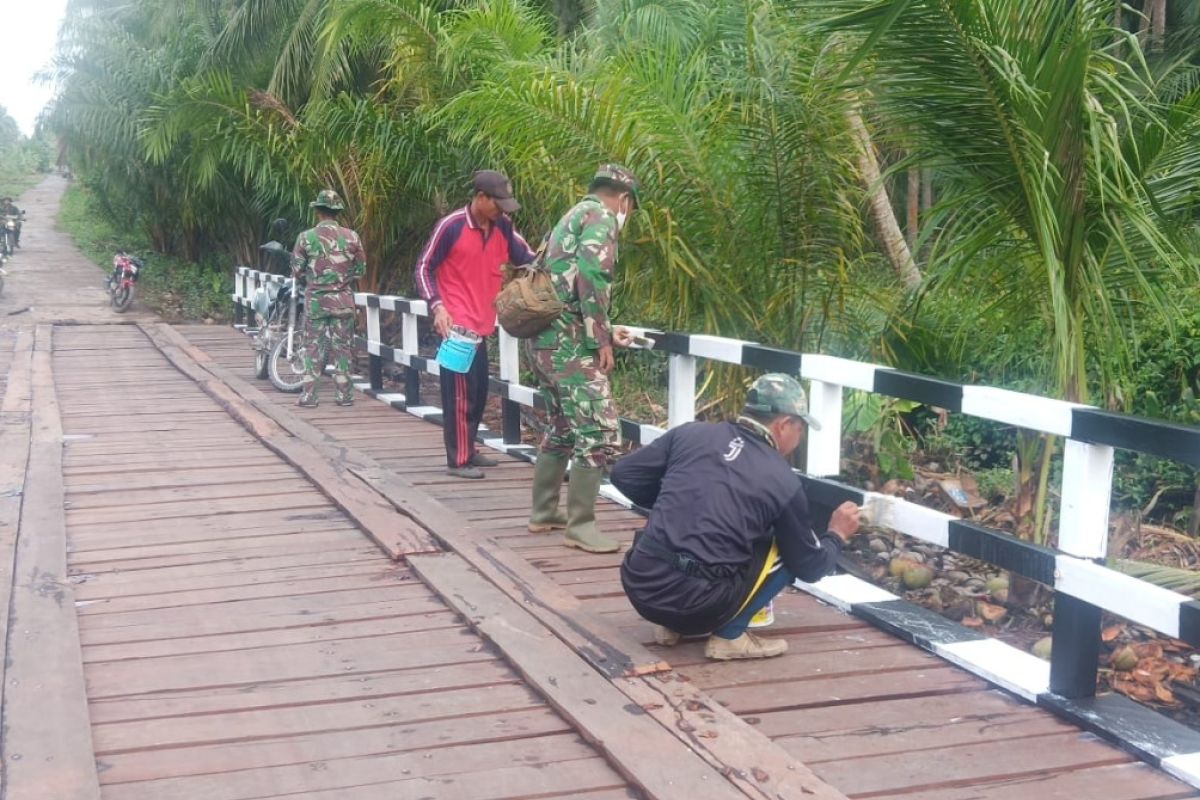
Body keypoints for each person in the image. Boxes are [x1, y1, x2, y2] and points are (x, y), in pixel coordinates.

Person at [613, 373, 862, 660]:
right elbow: (809, 566)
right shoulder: (781, 479)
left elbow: (624, 474)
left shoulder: (691, 433)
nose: (799, 437)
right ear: (784, 425)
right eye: (800, 429)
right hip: (699, 605)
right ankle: (729, 636)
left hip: (640, 586)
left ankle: (671, 625)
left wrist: (679, 503)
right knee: (787, 546)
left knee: (680, 517)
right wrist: (836, 534)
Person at [524, 164, 641, 553]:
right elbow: (593, 277)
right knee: (598, 429)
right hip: (570, 345)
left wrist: (605, 329)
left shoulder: (570, 217)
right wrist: (600, 340)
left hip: (543, 341)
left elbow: (563, 284)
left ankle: (544, 513)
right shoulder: (602, 216)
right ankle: (582, 526)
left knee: (561, 425)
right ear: (624, 199)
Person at [415, 170, 535, 479]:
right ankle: (459, 459)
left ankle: (470, 448)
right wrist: (437, 306)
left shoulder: (503, 228)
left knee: (479, 392)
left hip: (482, 326)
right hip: (455, 326)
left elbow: (529, 258)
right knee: (458, 395)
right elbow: (424, 267)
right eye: (498, 204)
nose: (502, 211)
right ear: (480, 197)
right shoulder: (451, 226)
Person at [291, 189, 366, 408]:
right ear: (337, 212)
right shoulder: (352, 237)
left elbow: (296, 270)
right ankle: (344, 396)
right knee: (343, 348)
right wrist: (341, 280)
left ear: (318, 211)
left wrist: (315, 278)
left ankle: (309, 397)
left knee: (313, 347)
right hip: (343, 301)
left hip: (316, 302)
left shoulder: (305, 238)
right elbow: (360, 270)